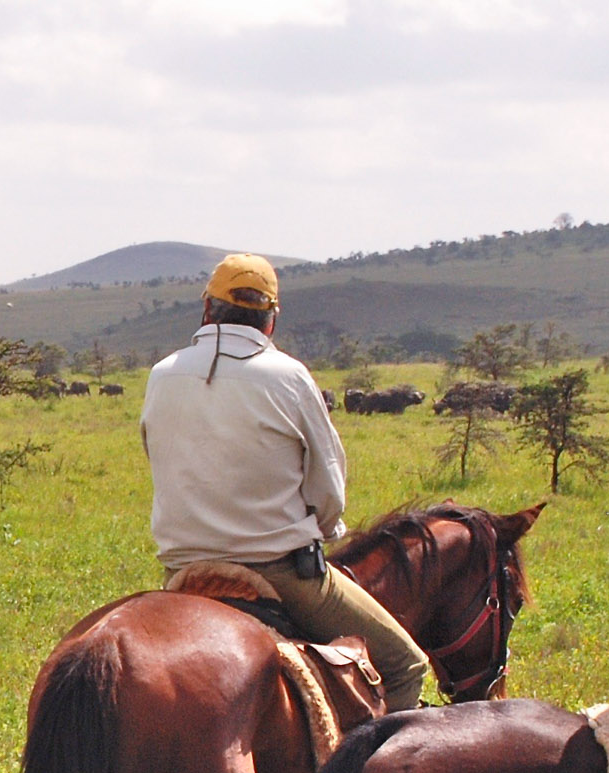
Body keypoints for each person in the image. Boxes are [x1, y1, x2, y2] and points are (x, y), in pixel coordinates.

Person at [141, 252, 432, 712]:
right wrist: (325, 530)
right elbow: (329, 491)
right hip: (278, 569)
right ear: (270, 321)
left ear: (206, 311)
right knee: (404, 666)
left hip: (181, 570)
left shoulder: (162, 374)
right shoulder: (289, 377)